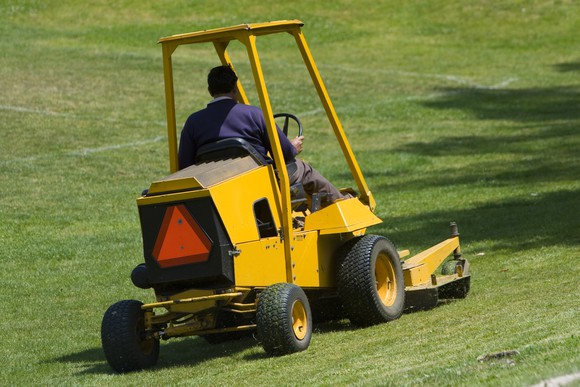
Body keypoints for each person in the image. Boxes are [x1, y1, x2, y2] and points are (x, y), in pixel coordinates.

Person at [178, 65, 349, 206]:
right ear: (235, 88)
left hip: (214, 186)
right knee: (302, 168)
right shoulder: (254, 114)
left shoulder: (193, 121)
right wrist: (293, 147)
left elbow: (185, 166)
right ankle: (342, 204)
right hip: (260, 183)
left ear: (210, 90)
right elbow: (284, 153)